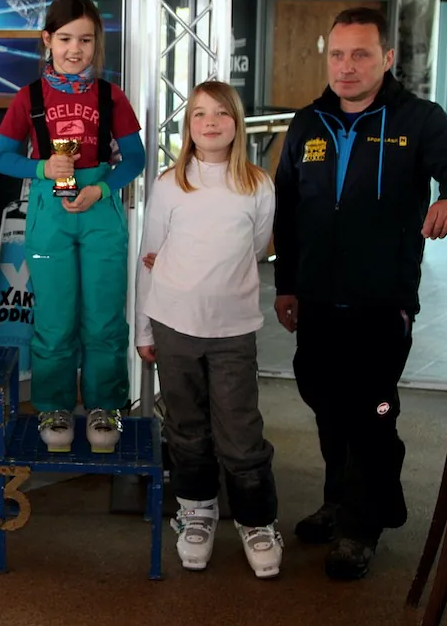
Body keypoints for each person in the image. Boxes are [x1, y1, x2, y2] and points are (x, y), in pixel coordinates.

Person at [273, 6, 447, 580]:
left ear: (387, 58)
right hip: (317, 299)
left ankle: (359, 526)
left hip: (381, 300)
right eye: (337, 55)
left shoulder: (418, 119)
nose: (346, 66)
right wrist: (286, 285)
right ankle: (347, 499)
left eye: (361, 54)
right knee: (325, 403)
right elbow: (287, 211)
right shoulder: (307, 123)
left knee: (371, 409)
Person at [135, 81, 282, 578]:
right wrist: (144, 329)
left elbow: (256, 248)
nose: (211, 122)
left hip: (233, 329)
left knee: (240, 429)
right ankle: (196, 510)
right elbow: (150, 255)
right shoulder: (169, 185)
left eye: (221, 113)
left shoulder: (258, 185)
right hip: (173, 325)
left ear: (237, 124)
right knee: (186, 426)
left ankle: (257, 521)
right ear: (188, 126)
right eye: (199, 114)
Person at [0, 0, 145, 454]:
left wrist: (103, 188)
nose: (74, 49)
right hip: (49, 216)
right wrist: (42, 168)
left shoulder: (110, 96)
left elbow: (135, 157)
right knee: (55, 319)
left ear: (97, 43)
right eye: (64, 39)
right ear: (47, 40)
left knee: (104, 318)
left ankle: (105, 406)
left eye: (85, 39)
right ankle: (54, 407)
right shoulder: (29, 97)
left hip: (100, 213)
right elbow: (2, 157)